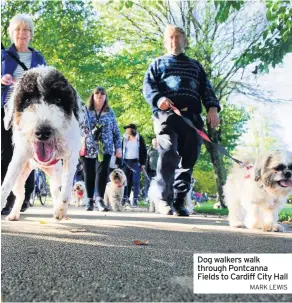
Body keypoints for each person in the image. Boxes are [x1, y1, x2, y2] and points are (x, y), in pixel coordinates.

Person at [143, 24, 220, 216]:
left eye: (178, 37)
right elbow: (148, 87)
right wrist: (159, 99)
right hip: (166, 116)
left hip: (192, 118)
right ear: (165, 41)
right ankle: (164, 200)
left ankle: (178, 201)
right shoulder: (157, 64)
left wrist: (212, 108)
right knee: (168, 152)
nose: (174, 40)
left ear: (185, 41)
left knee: (189, 158)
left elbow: (206, 88)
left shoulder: (195, 65)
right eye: (170, 37)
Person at [1, 14, 47, 215]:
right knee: (6, 154)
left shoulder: (39, 59)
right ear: (12, 33)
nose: (22, 33)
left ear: (31, 34)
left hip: (31, 113)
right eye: (18, 29)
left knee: (29, 154)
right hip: (6, 110)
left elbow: (47, 85)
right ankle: (7, 199)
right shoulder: (3, 56)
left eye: (26, 30)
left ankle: (25, 197)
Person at [80, 86, 122, 211]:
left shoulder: (110, 112)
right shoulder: (86, 111)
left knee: (102, 173)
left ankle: (99, 199)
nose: (99, 95)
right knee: (89, 173)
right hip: (88, 147)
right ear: (92, 96)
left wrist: (118, 148)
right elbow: (79, 128)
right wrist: (88, 134)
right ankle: (89, 200)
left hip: (106, 147)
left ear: (105, 97)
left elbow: (116, 131)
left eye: (102, 93)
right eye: (97, 93)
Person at [122, 124, 147, 207]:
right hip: (126, 162)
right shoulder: (125, 139)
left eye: (127, 129)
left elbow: (144, 151)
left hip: (136, 162)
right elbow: (121, 149)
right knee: (126, 181)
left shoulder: (139, 138)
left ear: (132, 129)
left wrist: (143, 163)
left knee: (135, 181)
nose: (126, 130)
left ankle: (135, 199)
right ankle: (125, 198)